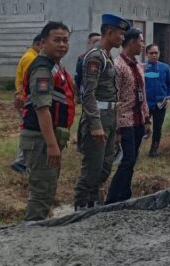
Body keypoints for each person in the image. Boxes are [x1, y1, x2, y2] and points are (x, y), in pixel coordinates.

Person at [19, 22, 75, 220]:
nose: (62, 45)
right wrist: (52, 145)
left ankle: (40, 230)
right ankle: (32, 234)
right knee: (42, 193)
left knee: (48, 188)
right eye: (57, 40)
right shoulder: (42, 70)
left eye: (65, 40)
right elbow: (42, 109)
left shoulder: (55, 66)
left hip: (49, 138)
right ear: (43, 42)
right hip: (40, 140)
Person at [73, 14, 128, 210]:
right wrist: (95, 125)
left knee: (105, 166)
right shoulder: (95, 57)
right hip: (98, 117)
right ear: (109, 32)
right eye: (120, 34)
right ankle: (80, 206)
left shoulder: (107, 56)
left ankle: (93, 201)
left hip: (109, 116)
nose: (123, 38)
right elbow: (88, 94)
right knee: (92, 167)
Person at [106, 28, 151, 204]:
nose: (143, 45)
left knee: (132, 161)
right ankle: (112, 199)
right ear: (131, 42)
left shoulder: (139, 65)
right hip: (124, 121)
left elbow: (143, 94)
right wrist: (116, 128)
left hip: (139, 119)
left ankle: (124, 195)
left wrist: (147, 119)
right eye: (140, 41)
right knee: (127, 159)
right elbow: (114, 97)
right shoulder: (118, 66)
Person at [11, 33, 42, 175]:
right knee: (29, 132)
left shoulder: (30, 56)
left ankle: (23, 161)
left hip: (23, 98)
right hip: (26, 100)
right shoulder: (31, 58)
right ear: (39, 44)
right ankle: (21, 162)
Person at [143, 43, 170, 157]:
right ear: (147, 54)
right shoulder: (142, 67)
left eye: (156, 53)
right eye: (151, 53)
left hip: (160, 103)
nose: (154, 55)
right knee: (142, 126)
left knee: (158, 127)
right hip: (146, 104)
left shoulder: (165, 67)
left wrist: (169, 97)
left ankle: (154, 149)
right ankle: (136, 148)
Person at [74, 32, 101, 100]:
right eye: (95, 42)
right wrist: (77, 95)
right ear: (89, 43)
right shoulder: (82, 59)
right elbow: (77, 79)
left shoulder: (104, 58)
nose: (97, 44)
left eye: (99, 42)